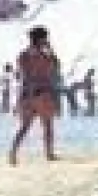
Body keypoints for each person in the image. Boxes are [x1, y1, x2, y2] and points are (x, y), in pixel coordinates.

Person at [10, 26, 62, 165]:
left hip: (27, 94)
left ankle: (13, 152)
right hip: (42, 93)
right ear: (41, 39)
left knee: (24, 127)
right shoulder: (44, 56)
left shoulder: (23, 55)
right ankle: (49, 153)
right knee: (47, 125)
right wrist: (50, 50)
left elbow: (22, 74)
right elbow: (55, 67)